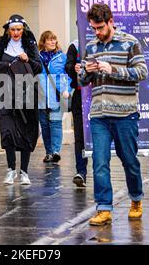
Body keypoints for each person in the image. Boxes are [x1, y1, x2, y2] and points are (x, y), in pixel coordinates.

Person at [79, 3, 148, 225]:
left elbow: (142, 72)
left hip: (125, 114)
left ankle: (136, 198)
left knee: (129, 160)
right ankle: (104, 208)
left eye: (100, 27)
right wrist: (84, 73)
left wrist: (113, 69)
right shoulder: (91, 46)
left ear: (110, 22)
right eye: (93, 28)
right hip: (99, 113)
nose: (96, 32)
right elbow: (83, 81)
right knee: (99, 161)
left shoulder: (130, 42)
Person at [0, 14, 42, 186]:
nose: (16, 33)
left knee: (26, 131)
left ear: (23, 29)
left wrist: (27, 59)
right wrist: (8, 66)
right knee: (8, 132)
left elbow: (39, 67)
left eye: (18, 29)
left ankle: (24, 171)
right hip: (5, 93)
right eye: (12, 30)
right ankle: (11, 170)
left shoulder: (30, 46)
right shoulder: (2, 46)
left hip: (27, 94)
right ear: (8, 30)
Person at [37, 30, 71, 164]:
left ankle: (56, 151)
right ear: (43, 42)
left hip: (57, 97)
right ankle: (49, 153)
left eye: (54, 39)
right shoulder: (37, 57)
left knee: (55, 124)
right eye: (49, 39)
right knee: (45, 126)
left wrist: (67, 89)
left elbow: (69, 76)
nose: (52, 42)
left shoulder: (62, 58)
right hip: (41, 98)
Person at [65, 37, 88, 188]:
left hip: (99, 96)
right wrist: (74, 68)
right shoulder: (74, 45)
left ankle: (101, 170)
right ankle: (81, 171)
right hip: (80, 96)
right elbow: (67, 66)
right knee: (79, 135)